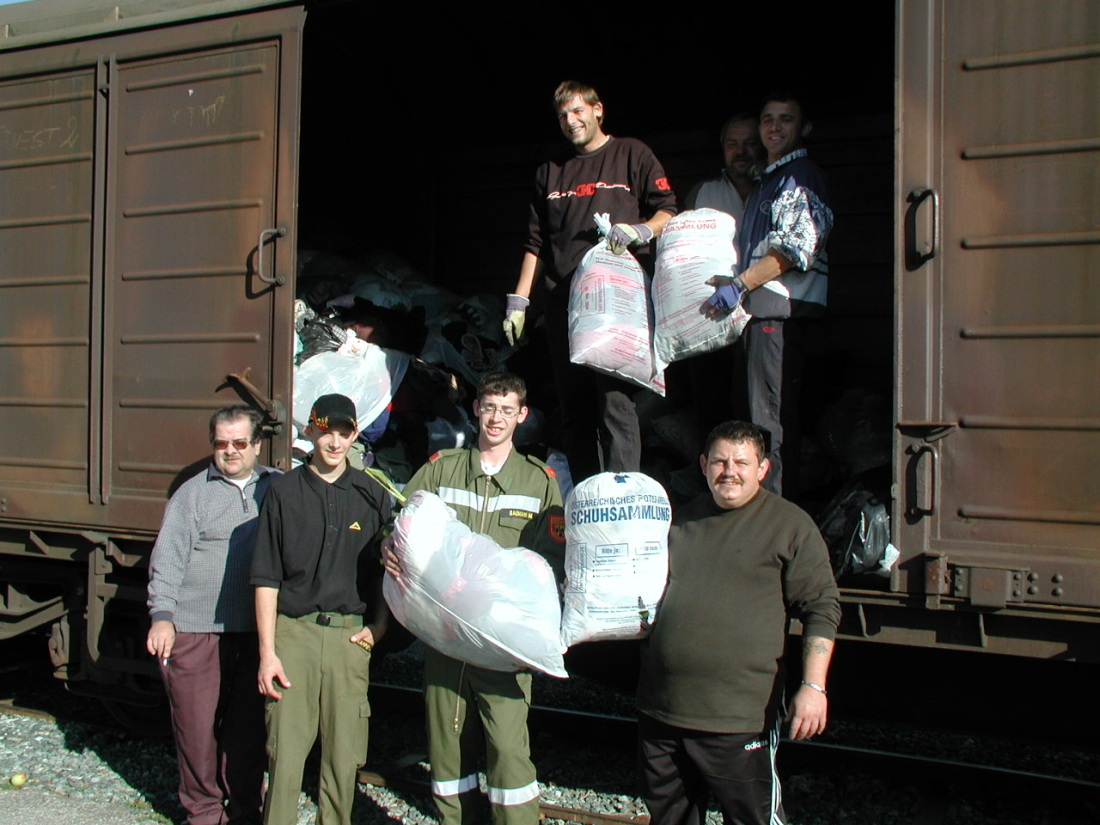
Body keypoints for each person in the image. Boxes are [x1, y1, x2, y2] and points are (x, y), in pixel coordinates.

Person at [636, 421, 840, 825]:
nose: (729, 471)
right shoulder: (677, 522)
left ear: (762, 469)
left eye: (742, 463)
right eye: (719, 462)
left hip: (740, 718)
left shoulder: (789, 525)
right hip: (662, 712)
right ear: (703, 465)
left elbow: (821, 607)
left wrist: (814, 686)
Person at [386, 372, 565, 825]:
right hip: (443, 637)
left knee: (508, 750)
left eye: (507, 410)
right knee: (447, 752)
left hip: (502, 645)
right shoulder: (442, 468)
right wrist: (388, 545)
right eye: (489, 408)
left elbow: (551, 563)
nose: (496, 418)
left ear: (522, 415)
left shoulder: (538, 481)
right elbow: (402, 521)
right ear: (476, 410)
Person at [504, 80, 678, 483]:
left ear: (598, 110)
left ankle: (623, 494)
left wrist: (641, 231)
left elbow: (668, 210)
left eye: (578, 111)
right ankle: (587, 497)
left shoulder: (631, 153)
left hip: (617, 303)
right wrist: (520, 300)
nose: (571, 121)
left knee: (616, 404)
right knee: (574, 408)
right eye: (563, 115)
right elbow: (535, 244)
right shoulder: (550, 171)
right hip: (564, 305)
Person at [250, 394, 392, 825]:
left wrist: (379, 627)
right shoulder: (283, 492)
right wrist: (268, 653)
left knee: (343, 758)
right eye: (326, 431)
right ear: (310, 431)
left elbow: (387, 572)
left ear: (355, 435)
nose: (335, 441)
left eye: (344, 432)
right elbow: (266, 578)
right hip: (294, 634)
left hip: (349, 638)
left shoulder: (372, 494)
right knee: (285, 754)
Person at [147, 406, 277, 825]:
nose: (230, 451)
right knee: (196, 731)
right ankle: (203, 814)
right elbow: (168, 559)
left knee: (248, 734)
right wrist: (162, 616)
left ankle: (244, 811)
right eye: (221, 443)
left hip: (255, 634)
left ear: (257, 445)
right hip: (197, 631)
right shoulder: (191, 495)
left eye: (240, 442)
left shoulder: (277, 488)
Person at [705, 93, 834, 496]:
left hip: (778, 315)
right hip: (758, 314)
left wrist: (741, 284)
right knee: (752, 418)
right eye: (768, 119)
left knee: (769, 422)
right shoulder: (769, 179)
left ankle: (775, 512)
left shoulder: (800, 175)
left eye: (786, 119)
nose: (775, 127)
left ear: (804, 128)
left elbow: (797, 248)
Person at [684, 112, 765, 225]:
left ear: (762, 146)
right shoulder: (702, 191)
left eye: (750, 143)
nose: (740, 151)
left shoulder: (775, 188)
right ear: (723, 147)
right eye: (732, 144)